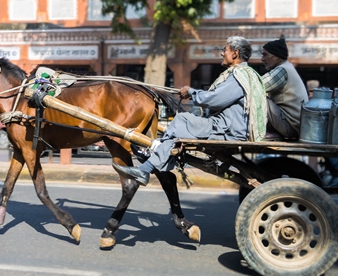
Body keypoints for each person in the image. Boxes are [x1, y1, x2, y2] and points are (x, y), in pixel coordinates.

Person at [112, 36, 267, 186]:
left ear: (235, 53)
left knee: (181, 120)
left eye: (224, 50)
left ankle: (152, 157)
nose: (221, 53)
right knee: (177, 133)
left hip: (228, 130)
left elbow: (213, 100)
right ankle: (148, 165)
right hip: (229, 127)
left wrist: (192, 92)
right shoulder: (246, 74)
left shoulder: (238, 76)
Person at [261, 35, 309, 140]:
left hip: (291, 126)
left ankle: (260, 131)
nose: (262, 59)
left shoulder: (282, 70)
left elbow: (255, 86)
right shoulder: (286, 67)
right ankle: (271, 131)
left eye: (265, 55)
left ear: (277, 56)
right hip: (291, 125)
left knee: (256, 95)